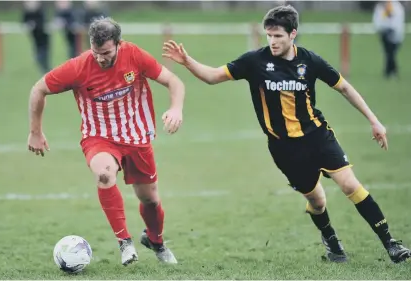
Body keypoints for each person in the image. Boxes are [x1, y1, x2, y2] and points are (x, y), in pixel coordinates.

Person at [162, 5, 411, 263]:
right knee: (317, 201)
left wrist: (374, 120)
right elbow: (213, 76)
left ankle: (391, 243)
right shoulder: (254, 61)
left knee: (350, 185)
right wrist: (187, 61)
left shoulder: (310, 60)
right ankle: (333, 243)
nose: (272, 41)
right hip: (285, 150)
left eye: (278, 36)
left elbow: (344, 88)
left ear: (293, 34)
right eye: (269, 35)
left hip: (317, 136)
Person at [27, 17, 184, 266]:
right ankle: (125, 242)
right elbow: (38, 89)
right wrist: (36, 131)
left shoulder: (135, 56)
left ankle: (155, 240)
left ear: (119, 44)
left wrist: (176, 108)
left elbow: (173, 81)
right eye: (96, 52)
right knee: (104, 175)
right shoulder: (79, 67)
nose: (100, 58)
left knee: (150, 200)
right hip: (99, 137)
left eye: (107, 53)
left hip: (136, 137)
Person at [373, 0, 405, 79]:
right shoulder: (380, 7)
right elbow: (377, 19)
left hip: (395, 33)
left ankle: (390, 71)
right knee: (389, 53)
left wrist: (394, 31)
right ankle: (391, 71)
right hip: (384, 33)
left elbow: (398, 21)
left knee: (391, 53)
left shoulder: (397, 7)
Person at [23, 1, 51, 74]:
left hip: (44, 38)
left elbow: (43, 24)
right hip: (35, 38)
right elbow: (24, 22)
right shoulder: (27, 13)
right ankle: (45, 71)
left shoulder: (41, 12)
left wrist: (34, 25)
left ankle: (47, 71)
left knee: (42, 56)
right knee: (38, 55)